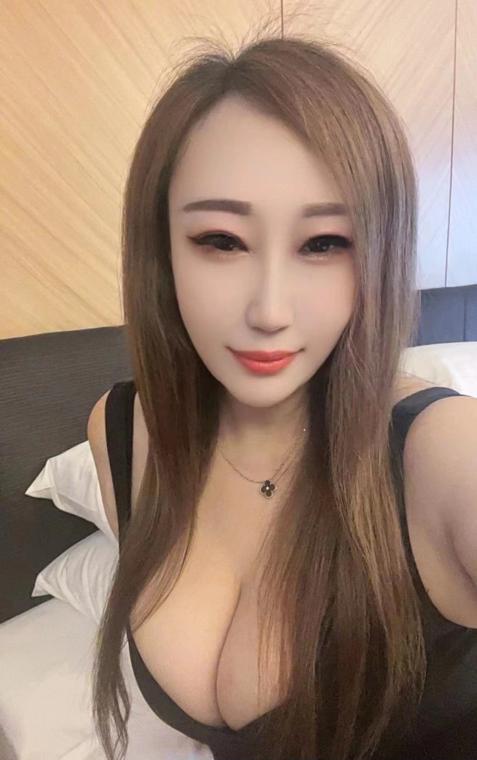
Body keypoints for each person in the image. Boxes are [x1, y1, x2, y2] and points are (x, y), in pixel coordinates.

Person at [87, 20, 477, 760]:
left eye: (324, 243)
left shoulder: (443, 454)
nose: (269, 310)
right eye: (221, 241)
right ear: (161, 250)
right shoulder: (120, 431)